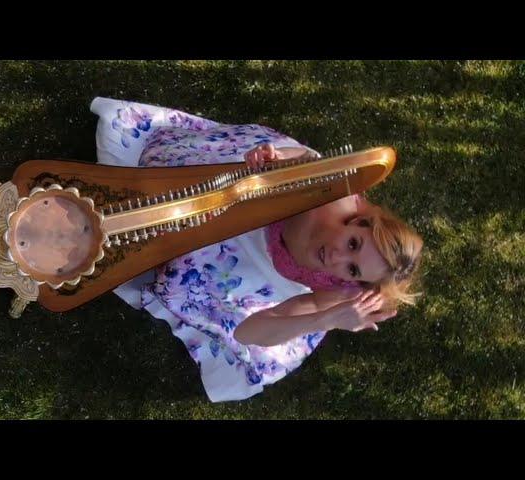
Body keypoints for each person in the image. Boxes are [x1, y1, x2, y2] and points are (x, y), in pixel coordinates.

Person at [90, 97, 423, 402]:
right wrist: (274, 161)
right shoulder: (333, 191)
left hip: (264, 266)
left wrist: (328, 318)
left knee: (186, 273)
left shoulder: (339, 290)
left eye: (353, 269)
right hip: (255, 196)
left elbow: (248, 330)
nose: (337, 257)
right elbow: (303, 158)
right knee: (190, 189)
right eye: (353, 244)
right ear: (359, 220)